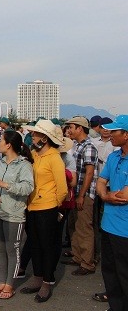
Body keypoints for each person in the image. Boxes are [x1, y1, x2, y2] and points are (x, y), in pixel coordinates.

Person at [19, 119, 67, 303]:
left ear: (45, 139)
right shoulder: (34, 154)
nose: (32, 136)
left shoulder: (55, 158)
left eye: (36, 134)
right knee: (34, 243)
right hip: (31, 206)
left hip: (47, 208)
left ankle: (48, 280)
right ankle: (37, 276)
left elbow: (62, 188)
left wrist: (53, 205)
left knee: (48, 246)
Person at [0, 130, 34, 300]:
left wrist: (5, 185)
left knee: (12, 249)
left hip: (14, 214)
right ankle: (1, 281)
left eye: (1, 141)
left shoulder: (24, 165)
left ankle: (10, 284)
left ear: (8, 145)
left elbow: (28, 188)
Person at [96, 115, 128, 311]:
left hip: (124, 230)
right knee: (110, 272)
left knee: (125, 274)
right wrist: (107, 196)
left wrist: (106, 194)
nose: (110, 134)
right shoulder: (113, 156)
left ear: (126, 135)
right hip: (108, 224)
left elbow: (125, 195)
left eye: (114, 131)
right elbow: (101, 182)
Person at [64, 116, 98, 276]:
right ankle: (77, 256)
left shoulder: (89, 147)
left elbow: (89, 173)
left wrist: (82, 195)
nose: (69, 130)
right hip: (76, 193)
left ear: (80, 128)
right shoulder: (77, 145)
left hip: (84, 194)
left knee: (84, 227)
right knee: (75, 225)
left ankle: (87, 262)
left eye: (71, 127)